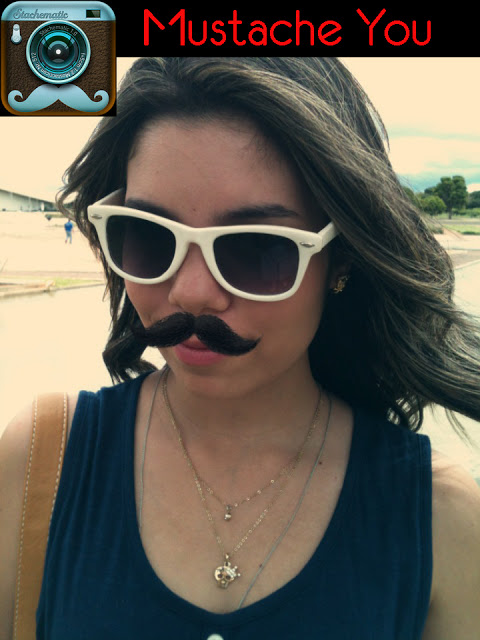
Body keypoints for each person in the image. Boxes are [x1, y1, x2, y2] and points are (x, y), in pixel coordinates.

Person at [1, 57, 480, 639]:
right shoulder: (42, 461)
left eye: (256, 248)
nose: (191, 293)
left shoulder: (443, 521)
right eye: (150, 237)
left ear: (342, 260)